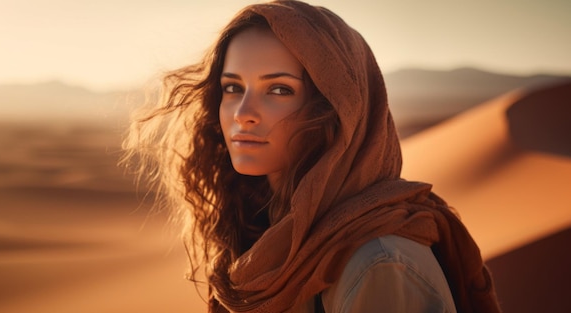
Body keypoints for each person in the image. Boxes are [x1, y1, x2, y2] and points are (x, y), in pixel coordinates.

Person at [122, 1, 501, 312]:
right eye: (233, 87)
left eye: (280, 90)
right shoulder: (267, 233)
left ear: (337, 108)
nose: (242, 113)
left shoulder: (379, 265)